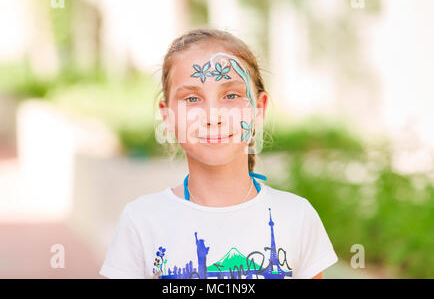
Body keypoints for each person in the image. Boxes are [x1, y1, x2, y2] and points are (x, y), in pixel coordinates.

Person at [99, 28, 338, 279]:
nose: (213, 116)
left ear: (259, 109)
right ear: (167, 117)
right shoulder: (141, 221)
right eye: (192, 98)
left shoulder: (297, 216)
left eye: (231, 95)